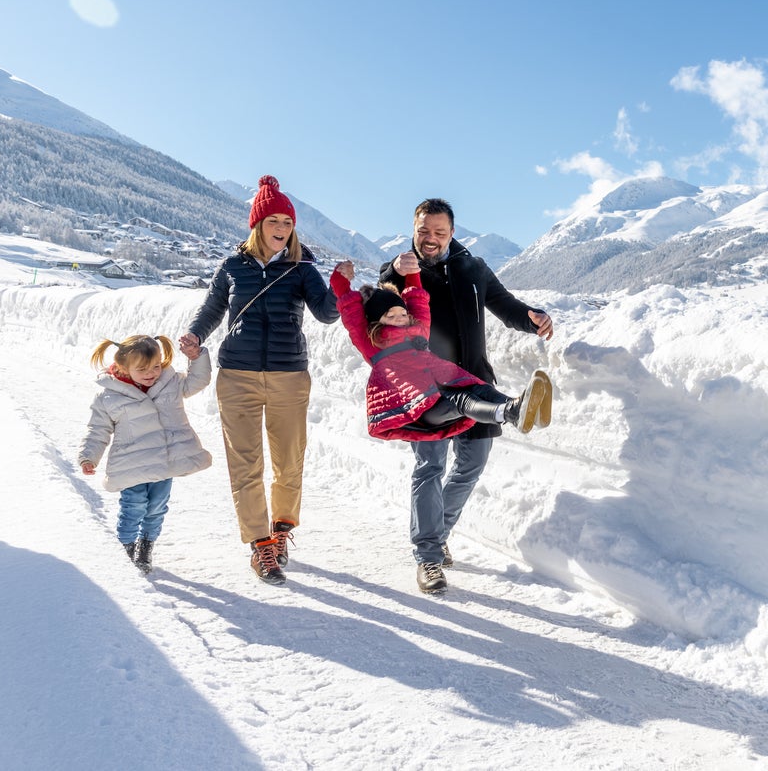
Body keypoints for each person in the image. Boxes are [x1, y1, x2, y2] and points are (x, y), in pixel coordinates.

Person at [379, 198, 554, 593]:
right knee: (430, 467)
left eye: (439, 232)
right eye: (424, 231)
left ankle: (436, 534)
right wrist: (393, 270)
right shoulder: (403, 270)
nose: (431, 239)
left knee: (472, 463)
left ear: (452, 232)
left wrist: (533, 317)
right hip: (425, 387)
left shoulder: (473, 268)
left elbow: (506, 306)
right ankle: (427, 557)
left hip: (473, 381)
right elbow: (379, 300)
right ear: (414, 228)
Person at [179, 175, 339, 586]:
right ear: (258, 225)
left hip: (288, 375)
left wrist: (338, 286)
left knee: (289, 461)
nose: (282, 229)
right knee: (245, 463)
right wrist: (196, 335)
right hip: (237, 376)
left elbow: (326, 313)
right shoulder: (232, 266)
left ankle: (281, 530)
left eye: (288, 222)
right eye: (274, 221)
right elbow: (213, 307)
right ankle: (259, 543)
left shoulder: (303, 269)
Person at [330, 259, 550, 441]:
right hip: (419, 406)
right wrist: (340, 278)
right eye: (390, 316)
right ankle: (507, 413)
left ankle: (519, 409)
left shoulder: (418, 330)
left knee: (479, 387)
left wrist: (413, 271)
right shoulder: (372, 341)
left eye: (402, 313)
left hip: (440, 385)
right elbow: (350, 310)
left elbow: (416, 297)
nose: (399, 318)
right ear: (376, 321)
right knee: (462, 399)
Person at [78, 334, 212, 575]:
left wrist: (197, 358)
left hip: (164, 462)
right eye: (142, 369)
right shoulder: (109, 396)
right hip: (131, 464)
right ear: (122, 367)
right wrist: (89, 457)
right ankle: (126, 548)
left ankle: (146, 546)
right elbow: (98, 430)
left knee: (157, 507)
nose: (152, 373)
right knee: (134, 506)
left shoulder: (170, 382)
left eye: (156, 366)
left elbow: (197, 381)